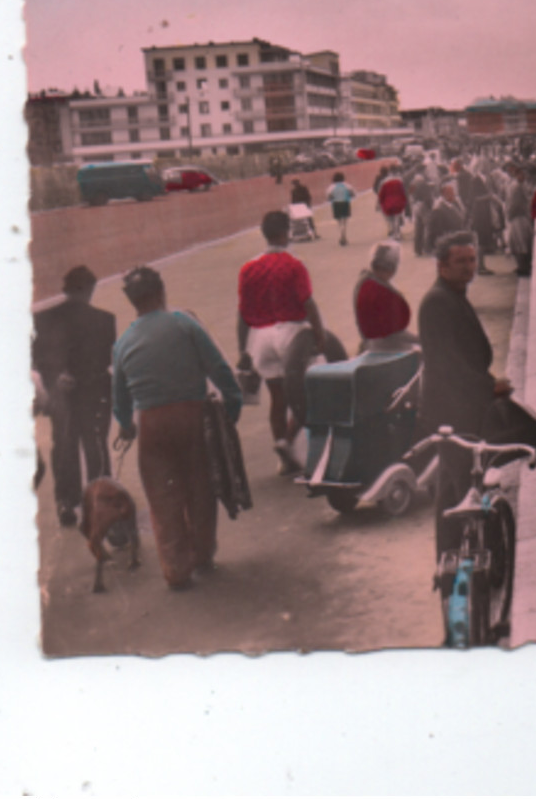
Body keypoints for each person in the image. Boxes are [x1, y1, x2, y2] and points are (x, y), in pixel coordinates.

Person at [111, 266, 242, 590]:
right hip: (193, 416)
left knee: (162, 496)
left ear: (133, 301)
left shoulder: (123, 343)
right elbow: (219, 368)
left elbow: (119, 399)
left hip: (152, 424)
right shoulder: (185, 324)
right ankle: (202, 554)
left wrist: (127, 425)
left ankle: (175, 569)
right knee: (200, 487)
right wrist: (233, 406)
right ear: (161, 292)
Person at [418, 232, 536, 555]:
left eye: (472, 260)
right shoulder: (438, 302)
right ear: (442, 266)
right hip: (451, 411)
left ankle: (451, 557)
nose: (469, 268)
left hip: (455, 407)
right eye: (460, 262)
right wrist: (490, 387)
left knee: (452, 485)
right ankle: (466, 557)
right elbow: (448, 365)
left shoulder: (451, 294)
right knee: (461, 484)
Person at [237, 210, 326, 474]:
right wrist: (320, 335)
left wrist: (243, 350)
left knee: (278, 397)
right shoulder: (294, 265)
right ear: (285, 233)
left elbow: (242, 314)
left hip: (260, 337)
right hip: (291, 334)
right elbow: (308, 302)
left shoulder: (248, 268)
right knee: (306, 391)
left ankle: (281, 448)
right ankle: (288, 439)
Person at [32, 265, 116, 527]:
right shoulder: (105, 319)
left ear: (65, 289)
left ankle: (65, 502)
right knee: (96, 447)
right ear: (90, 289)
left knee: (64, 448)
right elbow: (105, 360)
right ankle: (100, 502)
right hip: (93, 392)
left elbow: (35, 358)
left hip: (62, 396)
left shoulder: (43, 319)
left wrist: (57, 376)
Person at [354, 241, 417, 352]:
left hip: (370, 343)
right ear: (393, 269)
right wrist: (420, 340)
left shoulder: (365, 282)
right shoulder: (381, 292)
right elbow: (392, 334)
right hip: (386, 348)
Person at [505, 169, 535, 277]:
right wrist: (510, 215)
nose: (524, 176)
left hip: (520, 217)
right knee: (521, 243)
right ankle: (523, 267)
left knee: (521, 243)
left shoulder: (518, 186)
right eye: (522, 174)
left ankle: (523, 267)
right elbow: (514, 204)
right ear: (517, 175)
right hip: (518, 217)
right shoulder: (517, 187)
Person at [426, 181, 467, 251]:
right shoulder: (438, 210)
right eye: (451, 192)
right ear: (444, 194)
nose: (454, 194)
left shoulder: (454, 205)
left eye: (453, 192)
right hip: (449, 247)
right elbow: (436, 233)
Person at [409, 172, 437, 257]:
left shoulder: (412, 184)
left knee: (418, 229)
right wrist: (431, 207)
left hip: (415, 206)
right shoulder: (423, 184)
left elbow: (410, 197)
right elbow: (428, 197)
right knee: (428, 227)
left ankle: (417, 250)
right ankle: (427, 249)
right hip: (423, 206)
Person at [377, 169, 408, 239]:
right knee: (397, 218)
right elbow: (403, 192)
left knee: (391, 220)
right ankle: (398, 234)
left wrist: (379, 204)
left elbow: (381, 194)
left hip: (388, 203)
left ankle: (394, 233)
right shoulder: (399, 181)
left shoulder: (384, 182)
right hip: (398, 202)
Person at [326, 171, 355, 247]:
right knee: (344, 221)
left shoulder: (331, 187)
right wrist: (350, 196)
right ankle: (344, 236)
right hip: (345, 203)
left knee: (339, 222)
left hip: (336, 204)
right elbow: (353, 193)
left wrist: (331, 198)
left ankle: (341, 236)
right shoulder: (347, 185)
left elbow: (328, 196)